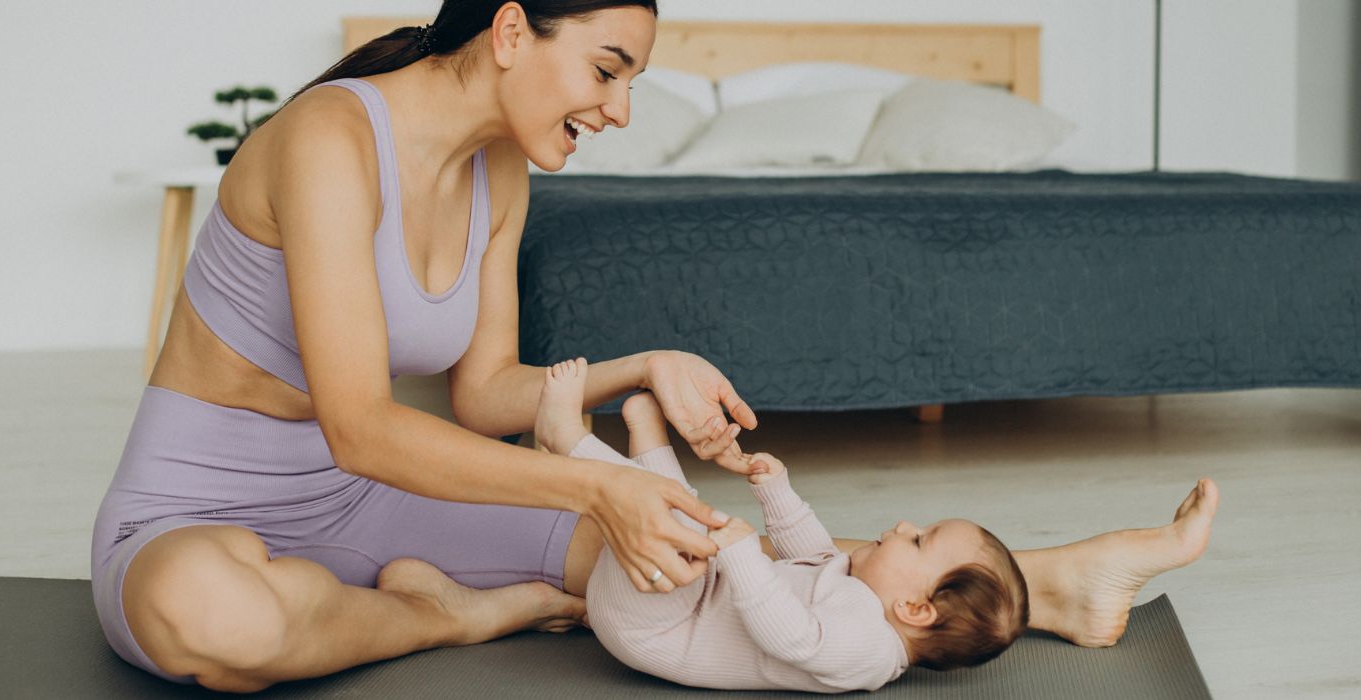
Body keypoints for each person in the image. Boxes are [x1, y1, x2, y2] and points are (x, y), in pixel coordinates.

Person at [91, 1, 1222, 692]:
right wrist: (596, 492)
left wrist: (640, 368)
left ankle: (1059, 581)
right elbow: (361, 422)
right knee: (212, 617)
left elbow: (482, 394)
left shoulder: (497, 175)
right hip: (205, 496)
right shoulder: (329, 137)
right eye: (609, 68)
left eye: (633, 80)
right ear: (512, 28)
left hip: (380, 501)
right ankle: (454, 611)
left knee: (680, 563)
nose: (621, 110)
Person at [530, 359, 1215, 692]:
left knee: (689, 531)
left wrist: (739, 554)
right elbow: (816, 554)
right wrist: (779, 495)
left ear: (913, 607)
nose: (901, 524)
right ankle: (643, 441)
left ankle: (568, 441)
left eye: (917, 541)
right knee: (689, 525)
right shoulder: (867, 597)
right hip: (687, 601)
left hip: (656, 626)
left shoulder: (862, 652)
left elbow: (791, 636)